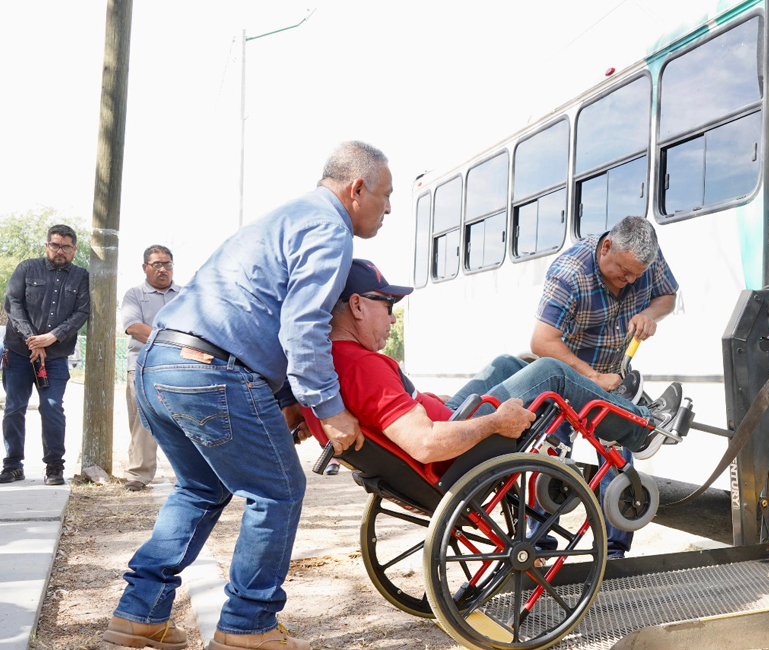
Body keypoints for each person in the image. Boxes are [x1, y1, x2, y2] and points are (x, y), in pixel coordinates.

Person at [103, 141, 392, 650]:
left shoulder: (285, 217)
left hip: (162, 363)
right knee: (278, 491)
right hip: (210, 369)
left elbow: (258, 313)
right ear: (357, 188)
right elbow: (301, 326)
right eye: (385, 196)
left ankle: (139, 616)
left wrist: (285, 400)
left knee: (200, 489)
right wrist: (330, 408)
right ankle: (248, 625)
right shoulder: (330, 228)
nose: (388, 209)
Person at [296, 259, 682, 486]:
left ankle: (619, 404)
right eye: (388, 304)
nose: (393, 318)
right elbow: (425, 445)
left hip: (447, 431)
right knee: (550, 371)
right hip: (454, 456)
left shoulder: (329, 362)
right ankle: (643, 430)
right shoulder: (363, 365)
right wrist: (496, 421)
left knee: (506, 364)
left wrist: (425, 402)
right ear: (359, 306)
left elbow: (398, 417)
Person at [530, 215, 678, 559]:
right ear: (606, 246)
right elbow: (542, 341)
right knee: (550, 463)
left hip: (614, 379)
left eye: (636, 277)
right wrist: (591, 378)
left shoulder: (645, 258)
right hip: (567, 377)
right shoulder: (569, 274)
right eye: (623, 272)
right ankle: (538, 548)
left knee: (618, 463)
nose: (628, 282)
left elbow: (667, 296)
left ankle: (613, 553)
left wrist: (650, 315)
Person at [1, 224, 91, 486]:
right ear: (47, 246)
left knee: (52, 408)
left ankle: (54, 467)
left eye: (65, 246)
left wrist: (51, 337)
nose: (59, 250)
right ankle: (13, 465)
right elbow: (13, 304)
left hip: (55, 357)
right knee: (15, 407)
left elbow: (82, 312)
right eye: (55, 245)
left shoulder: (81, 276)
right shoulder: (27, 268)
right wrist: (33, 339)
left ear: (74, 250)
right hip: (18, 353)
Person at [118, 245, 180, 492]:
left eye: (167, 264)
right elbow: (134, 327)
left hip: (181, 368)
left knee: (188, 420)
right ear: (145, 267)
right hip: (143, 367)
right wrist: (175, 340)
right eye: (157, 264)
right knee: (143, 422)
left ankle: (195, 474)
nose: (163, 269)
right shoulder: (134, 295)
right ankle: (138, 474)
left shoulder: (186, 295)